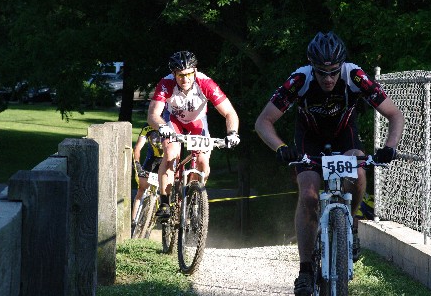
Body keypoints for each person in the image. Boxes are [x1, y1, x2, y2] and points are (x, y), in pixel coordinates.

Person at [254, 31, 404, 296]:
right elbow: (263, 121)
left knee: (357, 174)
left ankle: (352, 222)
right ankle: (305, 271)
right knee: (309, 194)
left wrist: (390, 147)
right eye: (322, 73)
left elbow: (394, 114)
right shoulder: (300, 79)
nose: (328, 78)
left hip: (344, 136)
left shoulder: (356, 76)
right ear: (313, 67)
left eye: (334, 72)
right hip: (308, 140)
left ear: (341, 67)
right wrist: (280, 148)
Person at [148, 50, 240, 219]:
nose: (185, 79)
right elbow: (153, 115)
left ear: (195, 71)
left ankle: (194, 196)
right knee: (170, 154)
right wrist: (161, 127)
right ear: (173, 74)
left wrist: (232, 133)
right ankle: (165, 202)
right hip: (172, 120)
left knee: (203, 162)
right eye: (180, 75)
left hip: (197, 122)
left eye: (189, 74)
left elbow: (229, 113)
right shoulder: (166, 83)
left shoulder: (205, 83)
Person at [131, 125, 164, 229]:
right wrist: (137, 163)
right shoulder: (148, 129)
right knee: (141, 189)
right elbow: (137, 148)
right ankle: (133, 221)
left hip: (167, 160)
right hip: (152, 161)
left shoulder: (172, 126)